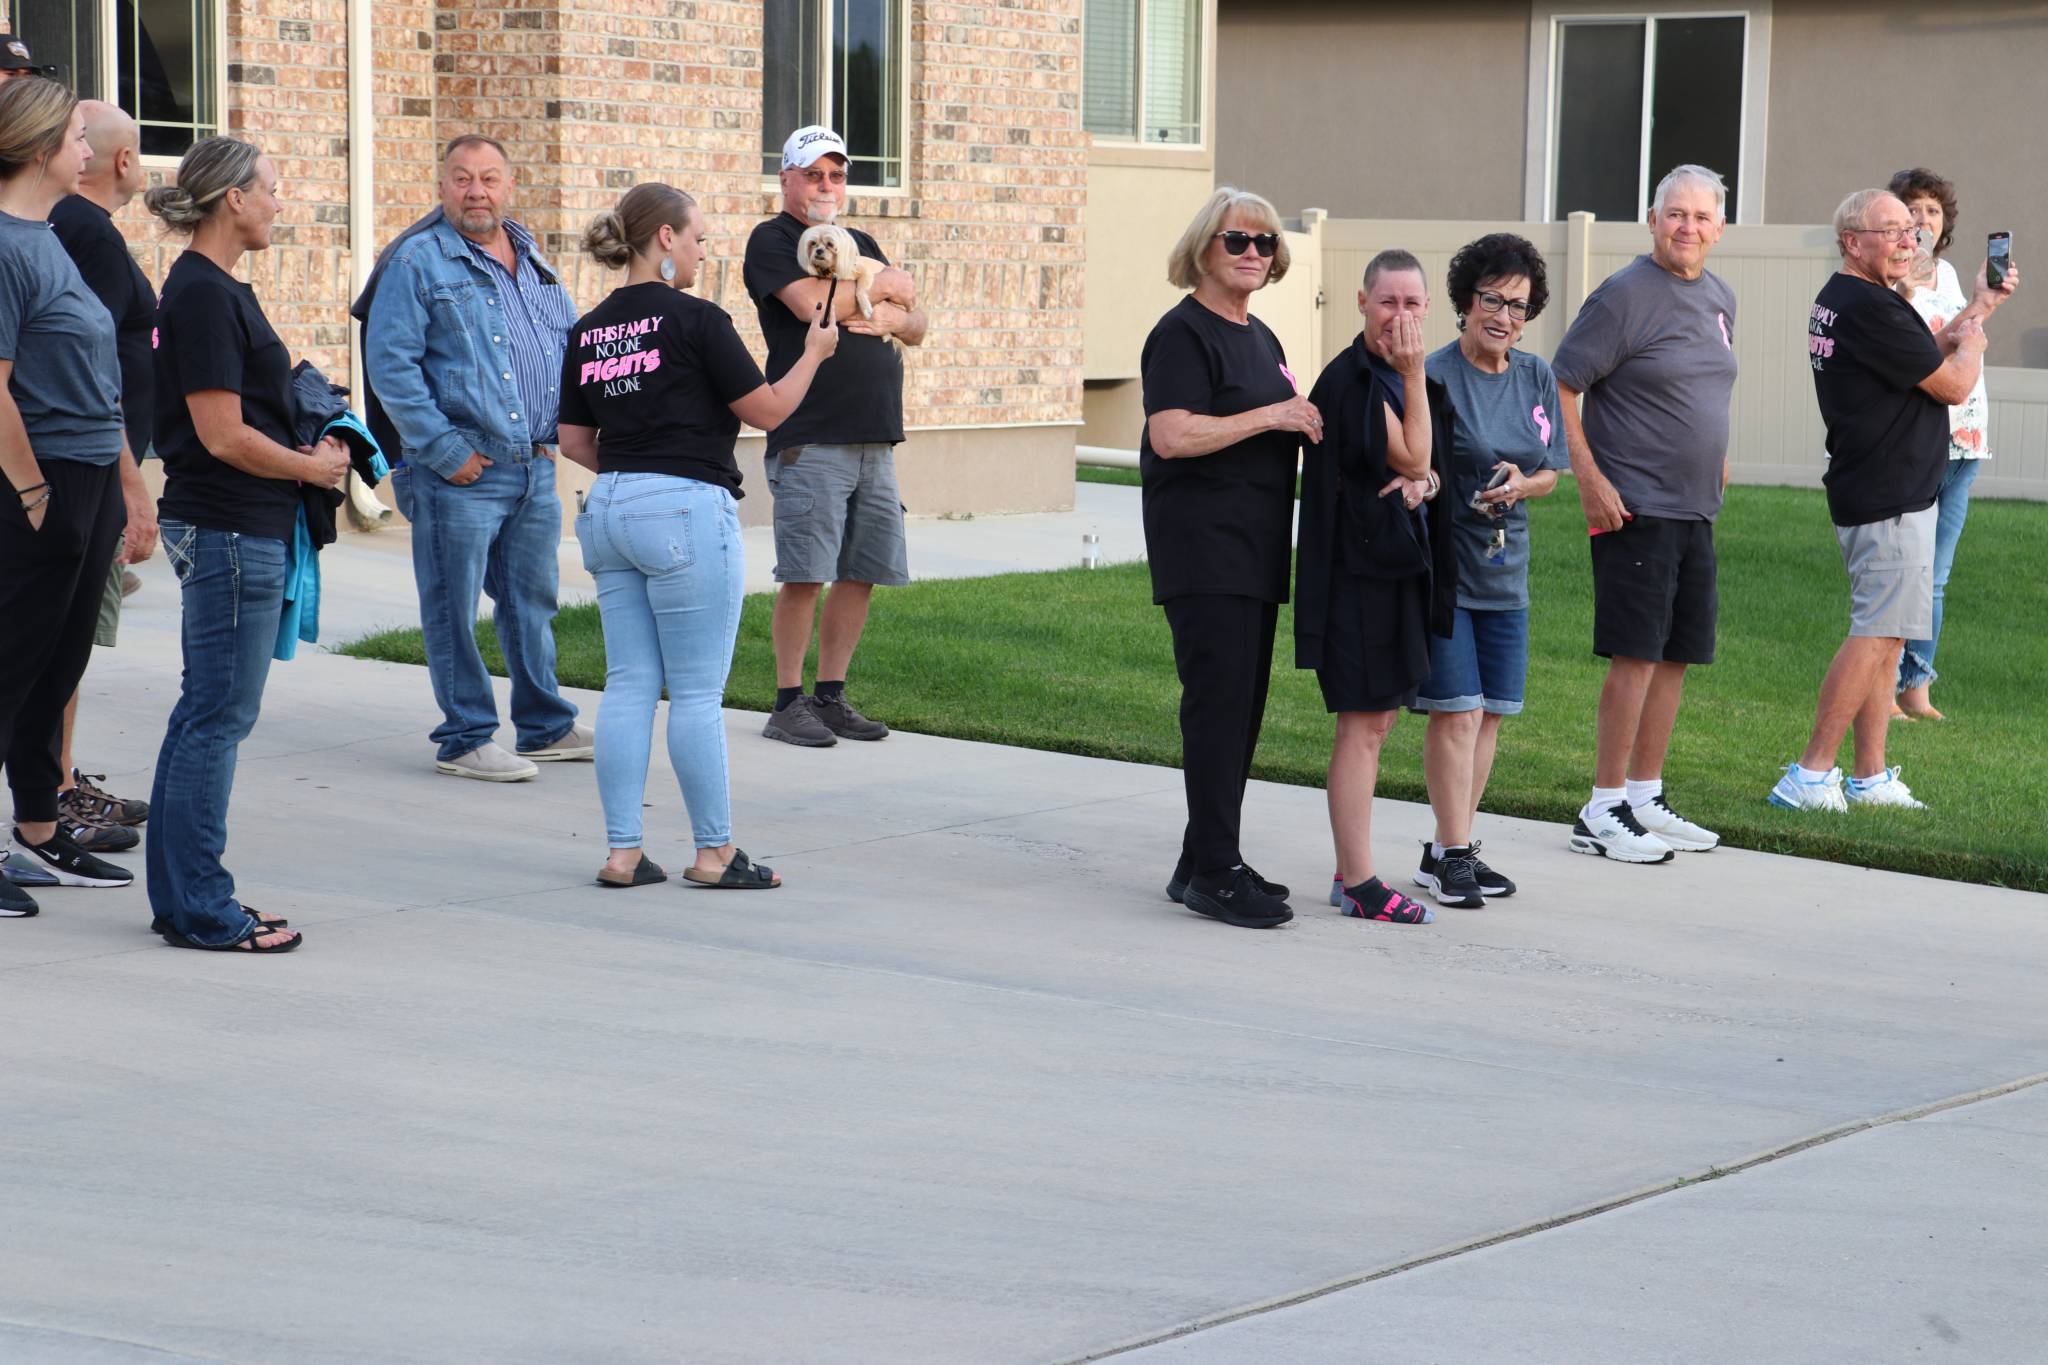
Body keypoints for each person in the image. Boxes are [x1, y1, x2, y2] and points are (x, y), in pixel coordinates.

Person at [558, 184, 838, 890]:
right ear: (664, 240)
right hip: (684, 509)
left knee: (627, 684)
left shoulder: (589, 328)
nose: (703, 250)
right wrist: (813, 353)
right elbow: (769, 410)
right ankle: (714, 853)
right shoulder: (697, 320)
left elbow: (571, 439)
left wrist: (634, 465)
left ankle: (624, 852)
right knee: (695, 692)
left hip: (611, 506)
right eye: (699, 238)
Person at [144, 135, 347, 951]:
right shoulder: (200, 294)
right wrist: (309, 466)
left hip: (241, 524)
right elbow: (221, 434)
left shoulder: (216, 288)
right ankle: (200, 904)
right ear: (233, 198)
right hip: (229, 524)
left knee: (207, 713)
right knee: (216, 717)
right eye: (270, 188)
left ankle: (184, 899)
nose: (277, 202)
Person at [1770, 189, 2013, 814]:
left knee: (1894, 638)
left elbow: (1922, 358)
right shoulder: (1869, 307)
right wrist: (1976, 349)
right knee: (1876, 633)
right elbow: (1953, 383)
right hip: (1887, 493)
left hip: (1889, 487)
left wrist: (1980, 307)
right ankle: (1809, 772)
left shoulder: (1853, 300)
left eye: (1912, 230)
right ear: (1854, 242)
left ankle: (1870, 777)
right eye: (1893, 231)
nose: (1911, 240)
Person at [364, 133, 589, 782]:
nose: (476, 191)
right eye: (462, 178)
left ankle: (545, 724)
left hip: (531, 466)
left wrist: (561, 431)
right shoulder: (416, 261)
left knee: (532, 601)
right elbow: (391, 367)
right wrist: (442, 449)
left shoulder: (533, 256)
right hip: (459, 470)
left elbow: (562, 349)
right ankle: (465, 736)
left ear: (509, 186)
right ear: (442, 187)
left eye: (489, 178)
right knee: (451, 606)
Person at [1551, 164, 1738, 865]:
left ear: (1718, 228)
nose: (1687, 227)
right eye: (1675, 214)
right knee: (1634, 656)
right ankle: (1601, 805)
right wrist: (1589, 479)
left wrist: (1717, 454)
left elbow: (1707, 383)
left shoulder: (1719, 295)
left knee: (1674, 656)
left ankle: (1644, 794)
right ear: (1652, 220)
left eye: (1700, 216)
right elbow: (1564, 381)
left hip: (1694, 507)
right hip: (1634, 505)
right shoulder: (1625, 295)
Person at [1141, 188, 1311, 931]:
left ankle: (1202, 858)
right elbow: (1172, 434)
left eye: (1265, 243)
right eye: (1237, 240)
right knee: (1216, 709)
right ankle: (1217, 871)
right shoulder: (1182, 334)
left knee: (1241, 713)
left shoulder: (1263, 338)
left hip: (1256, 550)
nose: (1252, 253)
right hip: (1204, 550)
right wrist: (1274, 414)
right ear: (1203, 248)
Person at [743, 125, 927, 748]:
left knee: (862, 570)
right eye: (814, 174)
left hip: (876, 436)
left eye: (837, 175)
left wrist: (894, 307)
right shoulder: (771, 240)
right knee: (805, 572)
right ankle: (787, 702)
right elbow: (809, 306)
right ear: (787, 179)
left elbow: (919, 323)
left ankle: (831, 697)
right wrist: (879, 293)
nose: (827, 186)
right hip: (811, 434)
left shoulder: (861, 240)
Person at [0, 78, 134, 919]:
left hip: (84, 476)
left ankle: (41, 829)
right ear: (43, 147)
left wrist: (118, 483)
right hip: (38, 480)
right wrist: (34, 489)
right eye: (78, 138)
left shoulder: (46, 235)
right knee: (11, 664)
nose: (89, 153)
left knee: (58, 663)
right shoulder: (6, 246)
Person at [1297, 250, 1450, 927]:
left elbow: (1432, 468)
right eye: (1387, 301)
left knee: (1380, 720)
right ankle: (1359, 882)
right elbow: (1414, 453)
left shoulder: (1398, 380)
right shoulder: (1356, 380)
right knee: (1360, 727)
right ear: (1361, 302)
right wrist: (1416, 381)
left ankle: (1345, 866)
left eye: (1412, 304)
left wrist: (1428, 481)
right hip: (1353, 580)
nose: (1400, 316)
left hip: (1393, 575)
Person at [1411, 234, 1565, 909]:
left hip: (1508, 570)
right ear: (1465, 301)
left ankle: (1452, 845)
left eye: (1519, 306)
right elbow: (1412, 459)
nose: (1504, 316)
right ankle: (1452, 855)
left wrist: (1522, 487)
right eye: (1492, 300)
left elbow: (1551, 471)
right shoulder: (1434, 374)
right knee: (1457, 713)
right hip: (1446, 569)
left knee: (1493, 714)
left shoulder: (1534, 376)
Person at [49, 100, 156, 852]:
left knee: (71, 634)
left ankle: (58, 777)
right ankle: (53, 791)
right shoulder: (85, 232)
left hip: (94, 466)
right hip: (90, 469)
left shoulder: (77, 229)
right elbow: (94, 367)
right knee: (64, 633)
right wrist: (128, 482)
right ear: (124, 162)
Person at [1888, 167, 1992, 722]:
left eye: (1932, 210)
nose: (1924, 219)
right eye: (1913, 210)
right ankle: (1883, 688)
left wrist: (1983, 303)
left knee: (1937, 576)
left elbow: (1964, 333)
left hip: (1966, 438)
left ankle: (1916, 689)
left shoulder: (1950, 275)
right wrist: (1906, 286)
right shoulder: (1886, 278)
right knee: (1905, 571)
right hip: (1918, 441)